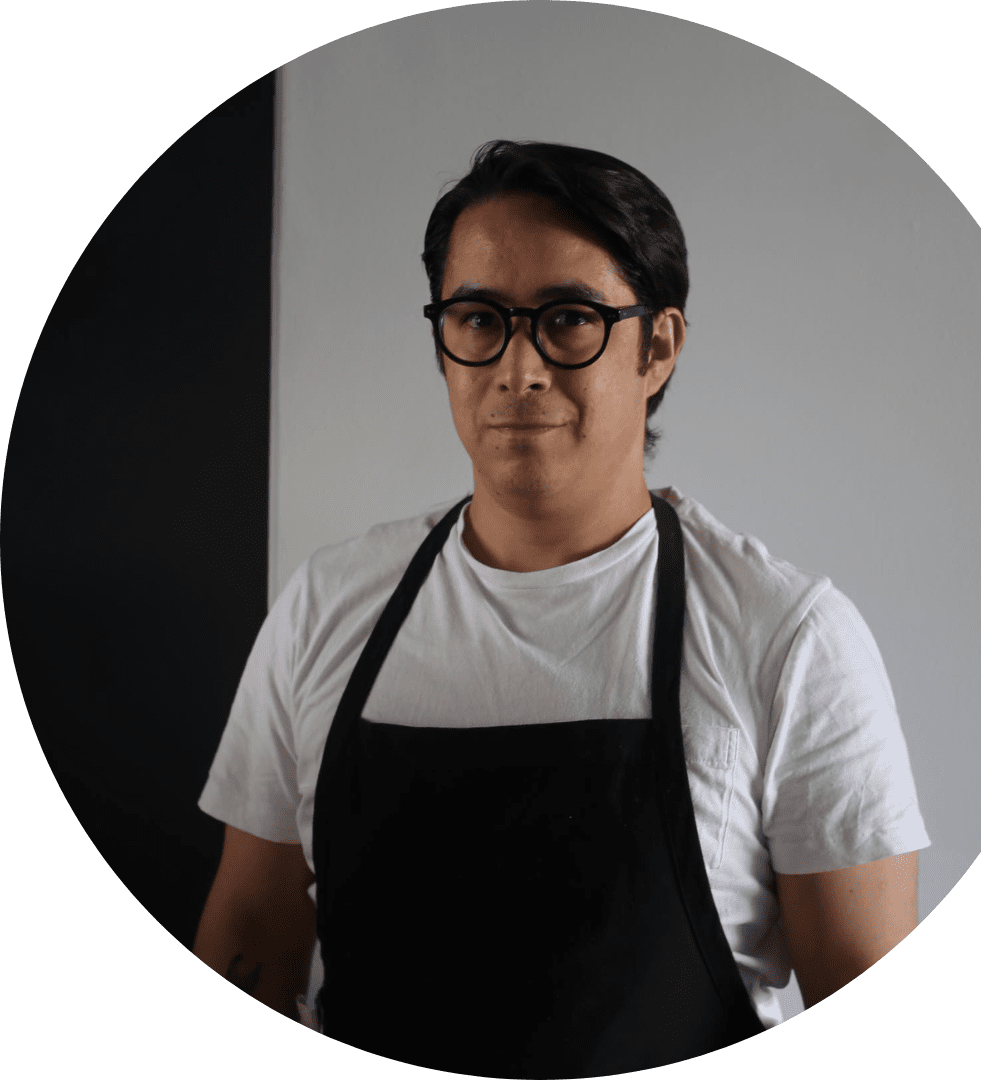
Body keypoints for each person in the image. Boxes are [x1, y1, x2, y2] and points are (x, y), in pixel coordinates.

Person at [194, 140, 930, 1076]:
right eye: (479, 319)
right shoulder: (325, 610)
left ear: (657, 347)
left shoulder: (788, 641)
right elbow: (249, 939)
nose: (519, 368)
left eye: (570, 320)